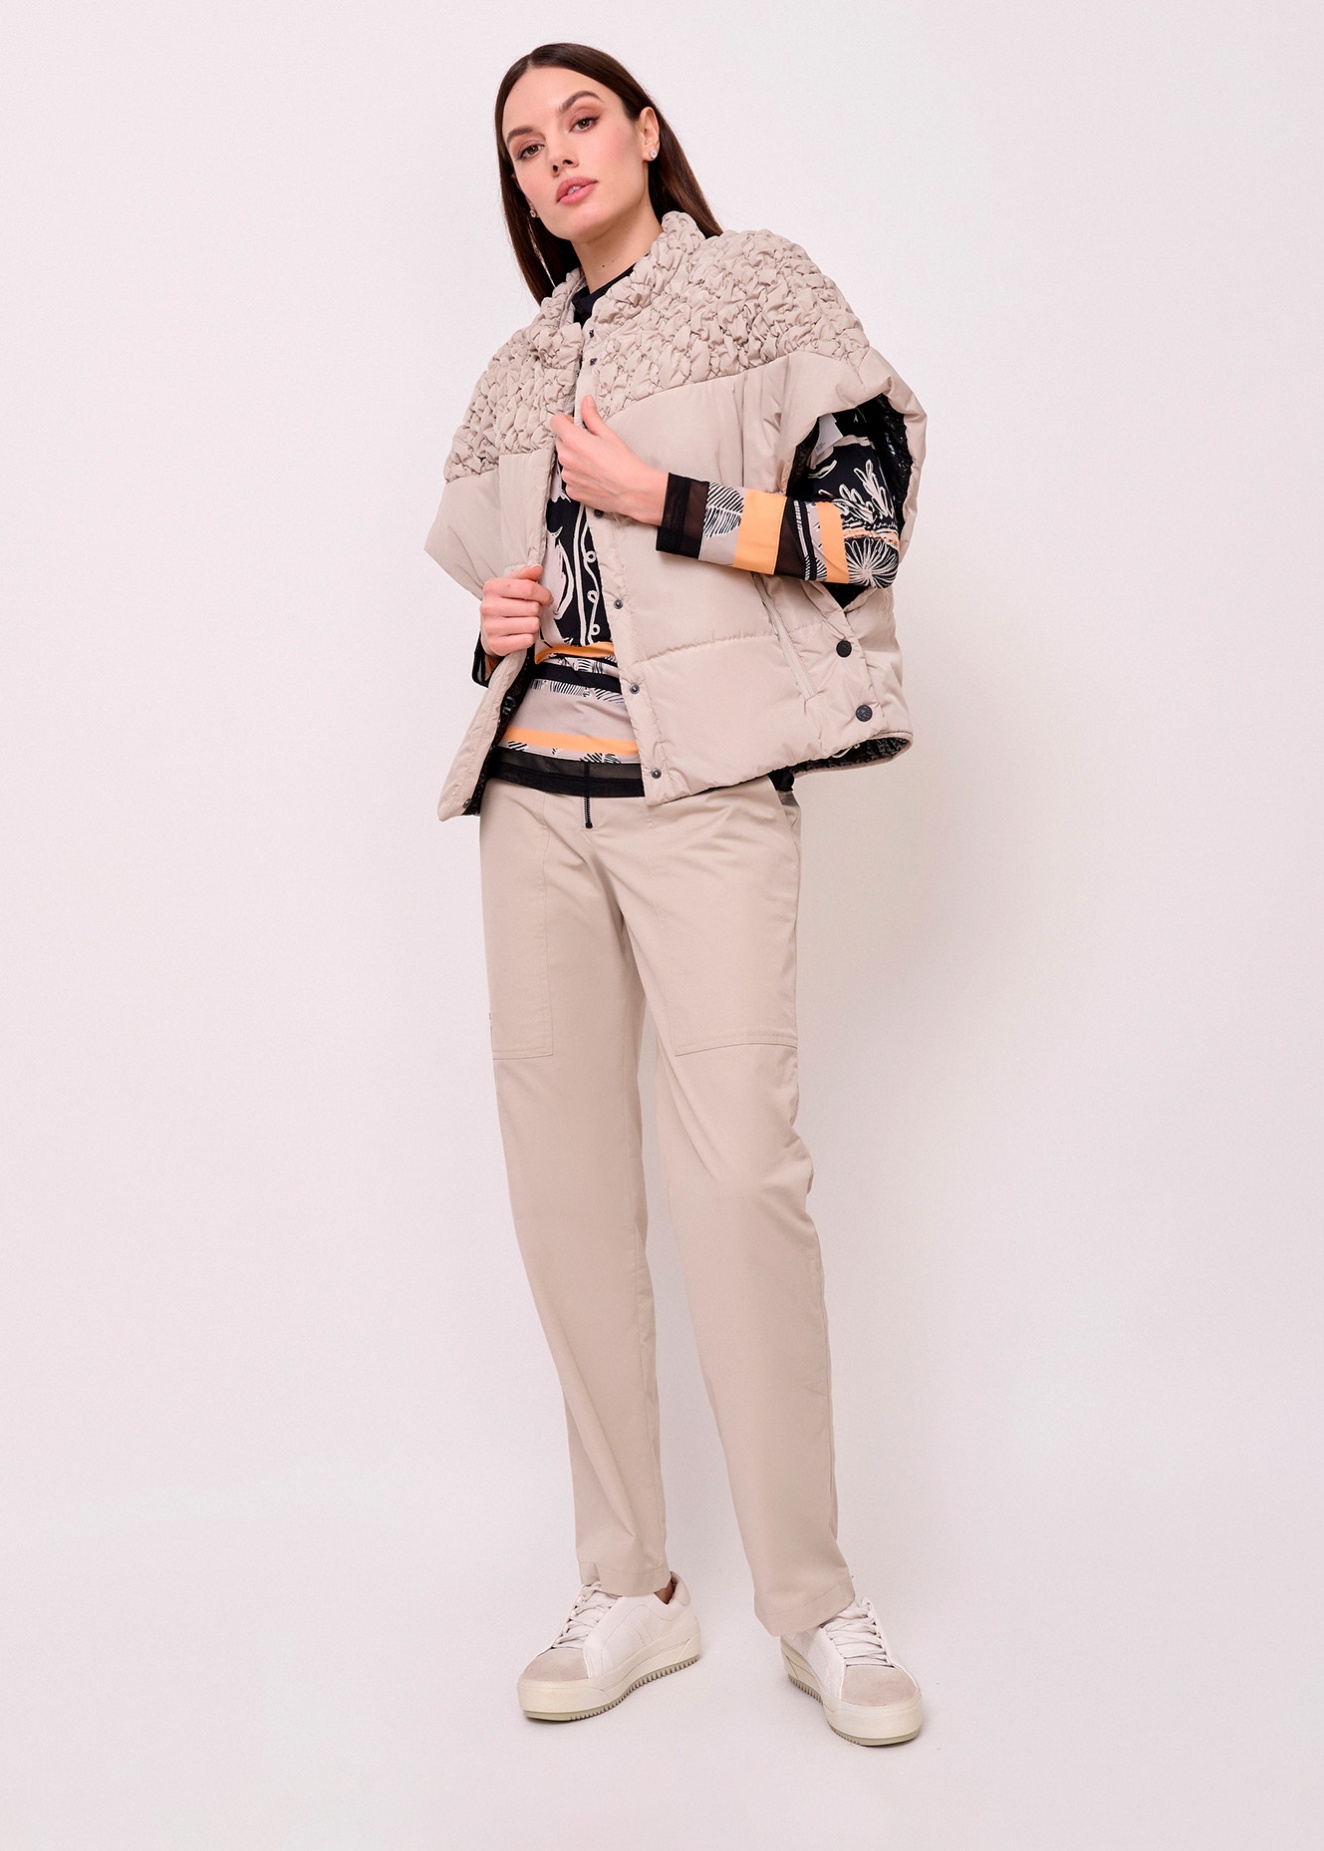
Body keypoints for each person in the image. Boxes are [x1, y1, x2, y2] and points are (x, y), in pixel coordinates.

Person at [425, 43, 928, 1746]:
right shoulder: (516, 369)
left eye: (582, 120)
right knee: (565, 1196)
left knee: (740, 1184)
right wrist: (495, 626)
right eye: (524, 145)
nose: (556, 157)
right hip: (530, 802)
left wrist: (668, 501)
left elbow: (867, 530)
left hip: (702, 798)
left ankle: (812, 1599)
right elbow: (532, 588)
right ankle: (629, 1585)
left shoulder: (757, 289)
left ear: (644, 131)